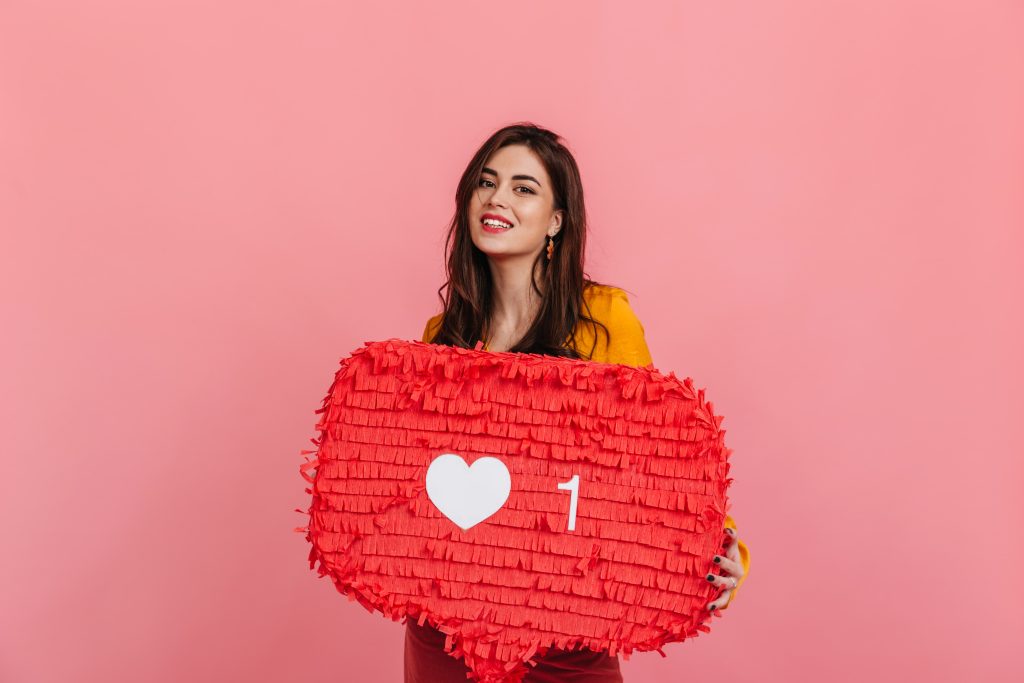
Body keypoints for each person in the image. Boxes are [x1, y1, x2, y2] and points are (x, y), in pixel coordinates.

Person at [405, 123, 750, 683]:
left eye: (524, 188)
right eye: (486, 183)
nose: (497, 199)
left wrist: (716, 551)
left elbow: (656, 457)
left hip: (568, 633)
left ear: (557, 221)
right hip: (445, 630)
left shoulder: (602, 323)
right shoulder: (440, 336)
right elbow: (411, 484)